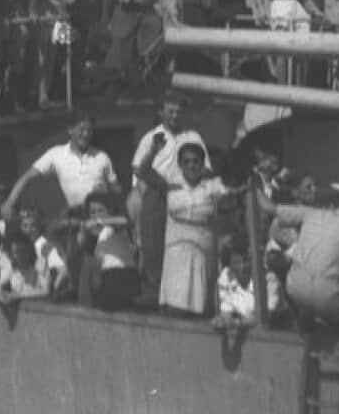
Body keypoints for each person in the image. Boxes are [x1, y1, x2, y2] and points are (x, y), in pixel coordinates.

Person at [254, 182, 339, 326]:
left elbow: (269, 208)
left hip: (295, 291)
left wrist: (252, 186)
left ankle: (306, 322)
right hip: (330, 300)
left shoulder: (310, 213)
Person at [129, 93, 211, 301]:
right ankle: (155, 292)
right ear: (161, 112)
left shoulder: (193, 136)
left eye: (178, 111)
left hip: (186, 192)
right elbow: (139, 171)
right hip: (158, 192)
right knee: (155, 249)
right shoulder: (151, 137)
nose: (175, 115)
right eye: (170, 111)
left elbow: (207, 169)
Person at [160, 142, 242, 315]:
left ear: (202, 164)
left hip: (202, 248)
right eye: (186, 161)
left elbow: (233, 193)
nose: (191, 165)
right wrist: (153, 150)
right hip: (175, 247)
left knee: (199, 301)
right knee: (176, 300)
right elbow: (144, 173)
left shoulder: (213, 185)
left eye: (195, 161)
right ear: (180, 164)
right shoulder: (170, 182)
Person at [0, 110, 119, 219]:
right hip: (78, 216)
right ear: (70, 130)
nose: (86, 134)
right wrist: (9, 202)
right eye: (81, 129)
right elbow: (27, 177)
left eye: (89, 130)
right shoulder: (57, 154)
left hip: (103, 216)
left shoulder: (102, 156)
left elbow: (116, 189)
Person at [76, 192, 139, 311]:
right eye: (93, 212)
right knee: (87, 260)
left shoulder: (115, 229)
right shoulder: (97, 237)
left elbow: (125, 221)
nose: (96, 216)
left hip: (122, 277)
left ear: (110, 211)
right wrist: (83, 232)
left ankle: (85, 305)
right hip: (106, 280)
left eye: (101, 211)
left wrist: (99, 222)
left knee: (89, 261)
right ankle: (84, 305)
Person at [215, 244, 284, 331]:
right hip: (243, 328)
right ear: (230, 266)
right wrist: (224, 320)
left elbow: (267, 315)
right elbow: (226, 311)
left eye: (246, 260)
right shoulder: (226, 275)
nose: (243, 266)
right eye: (236, 262)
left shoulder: (269, 279)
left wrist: (236, 322)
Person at [0, 234, 51, 305]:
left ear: (30, 251)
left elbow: (46, 291)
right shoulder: (11, 272)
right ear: (13, 254)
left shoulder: (40, 267)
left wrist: (16, 296)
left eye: (23, 251)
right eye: (17, 252)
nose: (21, 255)